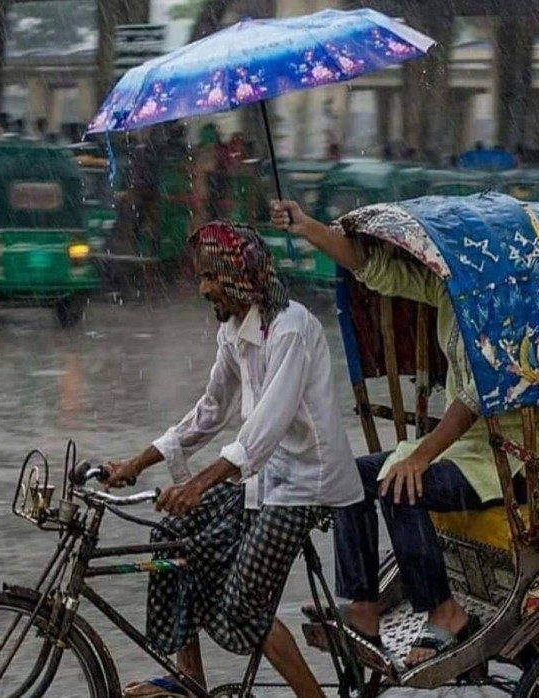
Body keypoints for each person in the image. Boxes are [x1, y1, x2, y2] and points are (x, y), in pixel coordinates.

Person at [270, 200, 539, 668]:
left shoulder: (510, 308)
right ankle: (362, 604)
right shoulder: (452, 292)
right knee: (352, 476)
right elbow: (379, 271)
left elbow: (475, 400)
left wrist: (418, 459)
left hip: (505, 457)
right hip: (461, 449)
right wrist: (310, 228)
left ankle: (445, 609)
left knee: (401, 486)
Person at [105, 221, 363, 697]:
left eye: (209, 277)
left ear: (239, 278)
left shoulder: (292, 329)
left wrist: (197, 485)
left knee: (244, 606)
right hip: (263, 476)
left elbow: (265, 428)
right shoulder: (233, 331)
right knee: (174, 539)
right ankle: (189, 681)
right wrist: (137, 462)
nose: (202, 288)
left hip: (307, 483)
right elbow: (210, 410)